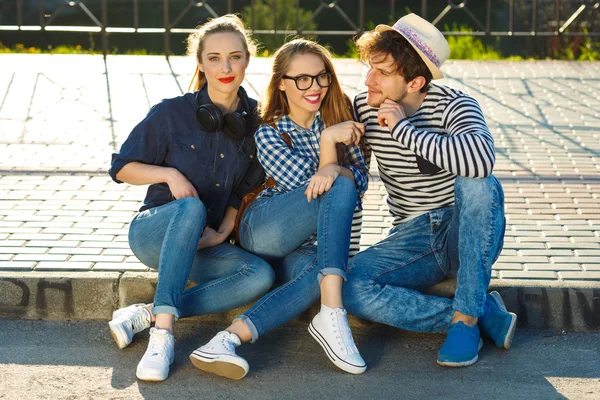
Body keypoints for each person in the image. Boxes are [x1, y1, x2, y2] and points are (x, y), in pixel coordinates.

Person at [106, 14, 275, 382]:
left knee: (259, 274)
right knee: (191, 206)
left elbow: (245, 189)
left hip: (202, 242)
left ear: (248, 59)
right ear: (200, 63)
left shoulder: (258, 123)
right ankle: (162, 335)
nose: (225, 67)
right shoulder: (171, 113)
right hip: (154, 232)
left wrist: (221, 232)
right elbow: (121, 167)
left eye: (235, 56)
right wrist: (169, 173)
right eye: (214, 58)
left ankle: (147, 312)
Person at [189, 39, 370, 379]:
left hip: (312, 249)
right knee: (337, 182)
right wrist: (330, 145)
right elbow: (319, 188)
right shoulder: (270, 132)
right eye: (301, 78)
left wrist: (336, 160)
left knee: (315, 275)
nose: (313, 87)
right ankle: (333, 314)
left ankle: (225, 340)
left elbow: (361, 181)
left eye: (321, 76)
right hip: (265, 230)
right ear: (282, 83)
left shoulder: (341, 118)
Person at [342, 13, 516, 367]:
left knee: (478, 182)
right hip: (413, 237)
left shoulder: (455, 105)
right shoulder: (363, 107)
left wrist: (405, 131)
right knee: (346, 285)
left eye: (382, 73)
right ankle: (475, 313)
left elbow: (481, 161)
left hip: (464, 231)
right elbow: (353, 185)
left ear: (415, 82)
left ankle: (466, 324)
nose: (368, 80)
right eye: (370, 68)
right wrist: (348, 252)